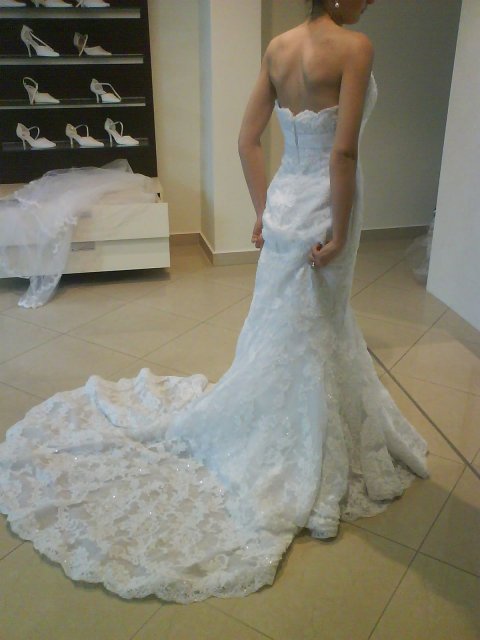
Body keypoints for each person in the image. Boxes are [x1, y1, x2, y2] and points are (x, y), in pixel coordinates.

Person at [0, 0, 429, 604]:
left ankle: (292, 425)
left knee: (288, 325)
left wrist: (262, 211)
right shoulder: (356, 49)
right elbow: (344, 153)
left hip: (285, 202)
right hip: (328, 203)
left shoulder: (278, 48)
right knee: (318, 321)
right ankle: (304, 447)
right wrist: (336, 231)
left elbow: (247, 139)